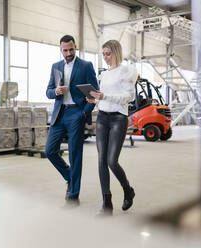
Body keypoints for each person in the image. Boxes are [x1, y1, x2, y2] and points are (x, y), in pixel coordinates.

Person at [45, 35, 99, 206]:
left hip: (76, 113)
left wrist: (84, 112)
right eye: (65, 50)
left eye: (71, 49)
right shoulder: (56, 66)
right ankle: (70, 177)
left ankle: (73, 195)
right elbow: (48, 91)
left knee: (75, 155)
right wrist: (56, 92)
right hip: (60, 113)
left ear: (75, 47)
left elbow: (94, 93)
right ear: (60, 49)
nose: (68, 53)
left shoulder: (86, 66)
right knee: (50, 150)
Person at [86, 40, 137, 214]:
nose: (106, 57)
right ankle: (106, 203)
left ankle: (128, 190)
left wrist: (104, 96)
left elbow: (127, 97)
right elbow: (104, 97)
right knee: (101, 161)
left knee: (111, 161)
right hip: (102, 118)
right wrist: (95, 99)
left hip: (118, 119)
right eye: (103, 54)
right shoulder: (105, 74)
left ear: (116, 52)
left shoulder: (126, 71)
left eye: (108, 54)